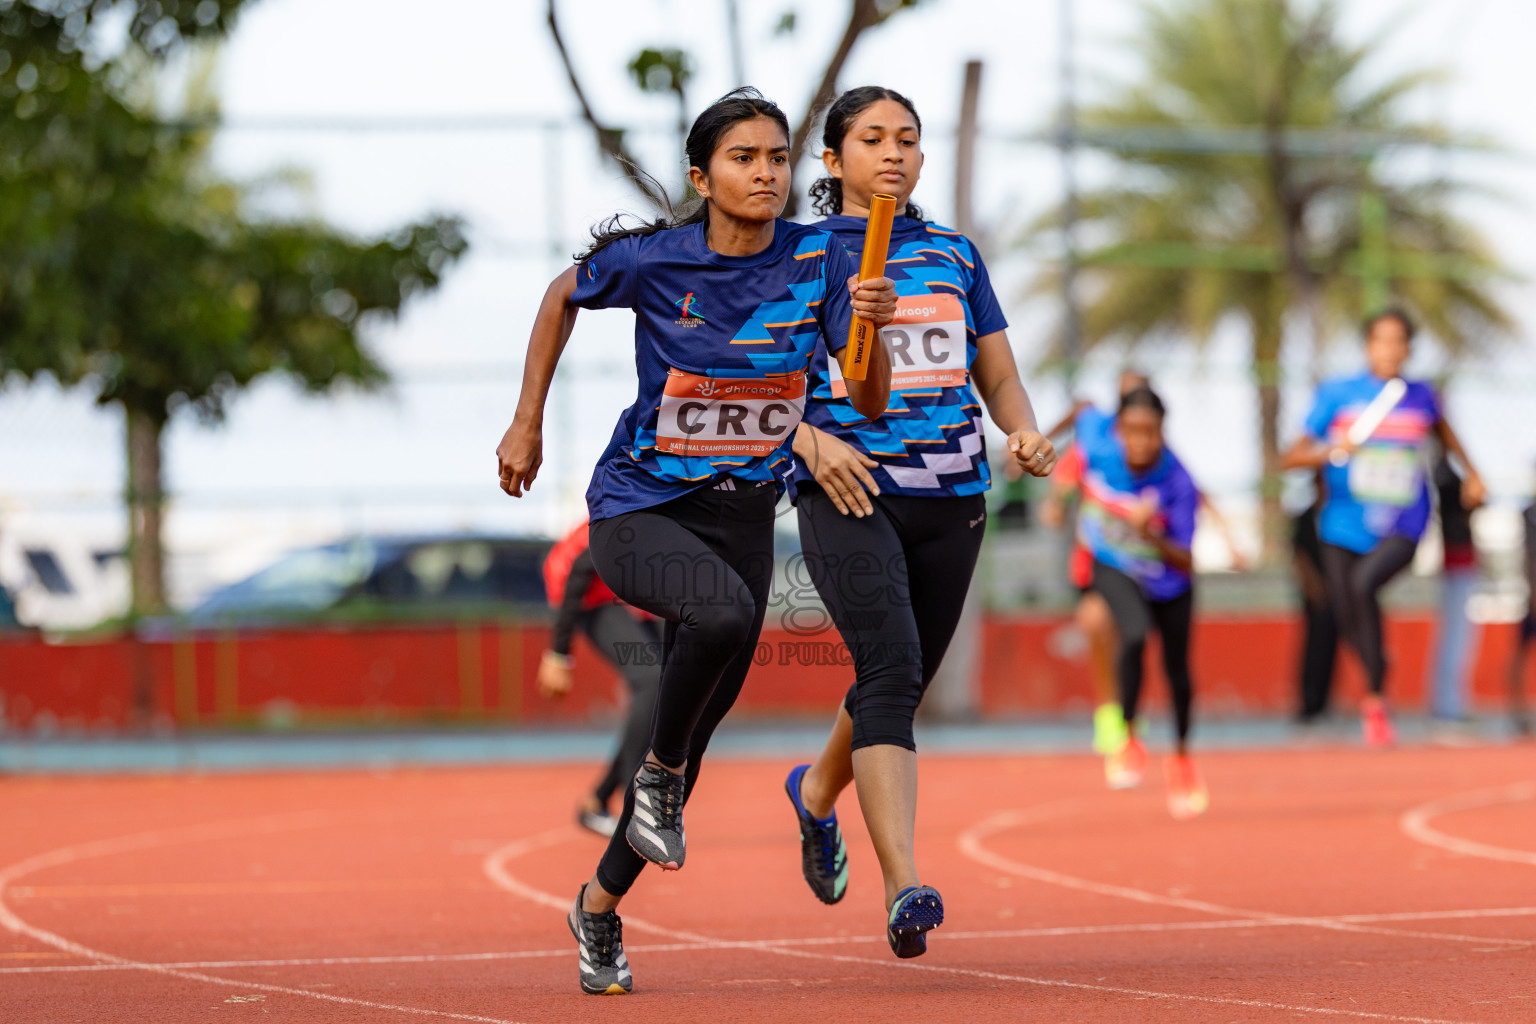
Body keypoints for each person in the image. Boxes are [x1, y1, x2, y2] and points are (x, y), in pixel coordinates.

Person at [495, 87, 894, 996]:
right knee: (720, 622)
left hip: (742, 516)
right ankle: (658, 777)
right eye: (744, 158)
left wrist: (872, 326)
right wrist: (527, 420)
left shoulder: (821, 261)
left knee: (689, 744)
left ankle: (597, 909)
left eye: (779, 157)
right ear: (702, 177)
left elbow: (869, 401)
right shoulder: (654, 261)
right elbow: (561, 296)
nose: (767, 173)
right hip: (640, 507)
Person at [781, 86, 1057, 960]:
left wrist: (1022, 428)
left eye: (907, 139)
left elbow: (996, 373)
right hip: (849, 494)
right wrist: (811, 441)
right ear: (834, 161)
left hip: (953, 498)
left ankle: (816, 794)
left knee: (895, 681)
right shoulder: (797, 256)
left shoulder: (954, 255)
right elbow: (755, 379)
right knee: (891, 669)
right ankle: (905, 885)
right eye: (873, 139)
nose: (894, 152)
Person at [1281, 309, 1485, 747]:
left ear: (1409, 348)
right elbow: (1291, 456)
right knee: (1345, 607)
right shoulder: (1337, 393)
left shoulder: (1422, 396)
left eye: (1399, 341)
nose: (1390, 349)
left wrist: (1473, 475)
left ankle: (1374, 699)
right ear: (1367, 346)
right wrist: (1331, 450)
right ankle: (1376, 664)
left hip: (1403, 522)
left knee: (1364, 585)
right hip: (1341, 524)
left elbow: (1448, 437)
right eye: (1382, 340)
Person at [1076, 386, 1207, 820]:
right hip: (1114, 564)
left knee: (1178, 671)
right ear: (1117, 429)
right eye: (1131, 430)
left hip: (1170, 580)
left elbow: (1187, 559)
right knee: (1133, 634)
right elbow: (1082, 412)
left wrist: (1151, 533)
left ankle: (1182, 758)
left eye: (1150, 432)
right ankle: (1129, 739)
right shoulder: (1098, 443)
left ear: (1162, 432)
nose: (1140, 441)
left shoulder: (1178, 481)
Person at [1040, 370, 1149, 756]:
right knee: (1096, 623)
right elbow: (1067, 476)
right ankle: (1109, 713)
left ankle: (1129, 712)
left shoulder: (1152, 450)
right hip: (1095, 560)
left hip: (1141, 564)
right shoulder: (1093, 440)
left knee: (1131, 636)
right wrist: (1057, 502)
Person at [538, 519, 662, 838]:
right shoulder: (635, 510)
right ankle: (636, 803)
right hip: (588, 592)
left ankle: (598, 801)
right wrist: (558, 653)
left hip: (622, 590)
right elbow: (580, 570)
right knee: (651, 680)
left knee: (669, 686)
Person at [1426, 452, 1480, 726]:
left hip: (1460, 563)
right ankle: (1448, 706)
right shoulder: (1448, 478)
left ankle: (1450, 704)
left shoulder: (1446, 475)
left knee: (1458, 640)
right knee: (1456, 640)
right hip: (1457, 564)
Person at [1292, 472, 1339, 722]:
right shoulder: (1305, 516)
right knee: (1313, 647)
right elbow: (1299, 553)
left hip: (1337, 594)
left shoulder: (1337, 516)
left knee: (1332, 648)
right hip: (1314, 595)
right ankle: (1309, 702)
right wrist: (1313, 586)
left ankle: (1325, 702)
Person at [1509, 491, 1535, 736]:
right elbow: (1529, 556)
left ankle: (1519, 716)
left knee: (1519, 656)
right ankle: (1519, 715)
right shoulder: (1529, 514)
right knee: (1518, 656)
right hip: (1533, 598)